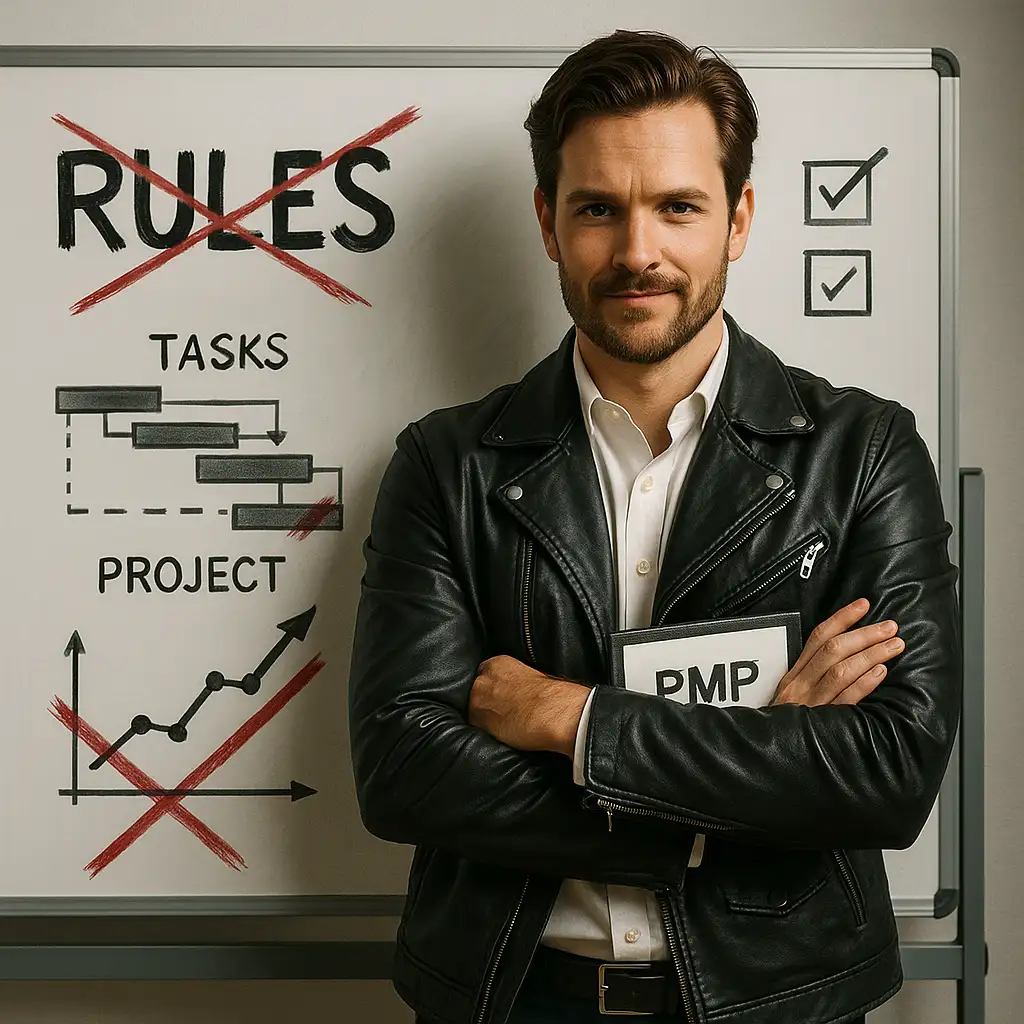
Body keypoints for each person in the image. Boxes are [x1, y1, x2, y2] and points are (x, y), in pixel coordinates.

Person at [347, 29, 961, 1024]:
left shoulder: (863, 453)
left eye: (677, 206)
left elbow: (887, 776)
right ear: (548, 223)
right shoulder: (444, 465)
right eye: (599, 209)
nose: (639, 252)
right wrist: (748, 773)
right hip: (511, 998)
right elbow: (404, 770)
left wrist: (569, 720)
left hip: (781, 1001)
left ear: (738, 219)